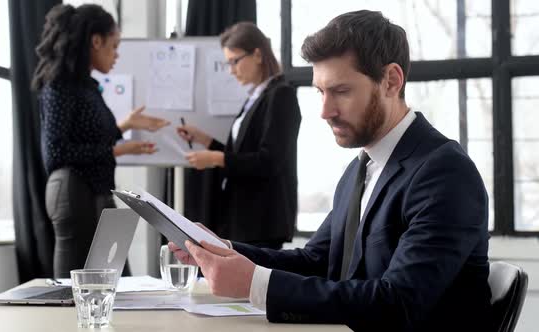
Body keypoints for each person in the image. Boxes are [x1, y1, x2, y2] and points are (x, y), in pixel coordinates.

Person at [170, 10, 491, 332]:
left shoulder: (444, 172)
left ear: (391, 81)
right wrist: (225, 251)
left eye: (341, 91)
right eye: (320, 92)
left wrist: (256, 283)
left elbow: (398, 302)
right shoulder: (360, 169)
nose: (325, 111)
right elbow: (318, 262)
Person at [32, 4, 169, 278]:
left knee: (114, 280)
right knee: (77, 286)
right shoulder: (60, 85)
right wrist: (117, 149)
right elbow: (56, 152)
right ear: (96, 41)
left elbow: (87, 137)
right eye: (114, 46)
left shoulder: (87, 87)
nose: (117, 55)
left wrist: (125, 126)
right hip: (73, 192)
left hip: (95, 189)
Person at [176, 22, 301, 250]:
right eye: (228, 63)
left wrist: (215, 158)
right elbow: (242, 154)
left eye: (235, 61)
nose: (231, 70)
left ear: (257, 54)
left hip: (262, 219)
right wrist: (205, 139)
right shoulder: (256, 96)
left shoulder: (281, 95)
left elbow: (268, 160)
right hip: (243, 217)